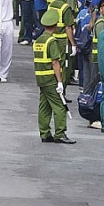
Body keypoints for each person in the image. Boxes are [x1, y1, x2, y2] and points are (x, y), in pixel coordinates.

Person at [33, 10, 74, 144]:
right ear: (55, 25)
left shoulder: (39, 40)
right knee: (59, 106)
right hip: (51, 78)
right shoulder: (52, 41)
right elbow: (55, 62)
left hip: (41, 78)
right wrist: (60, 82)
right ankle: (60, 133)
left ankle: (44, 133)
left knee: (44, 106)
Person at [44, 0, 76, 93]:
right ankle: (61, 90)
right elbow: (68, 27)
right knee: (64, 66)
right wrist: (73, 44)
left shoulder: (52, 5)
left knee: (53, 63)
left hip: (52, 37)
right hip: (63, 41)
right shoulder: (65, 7)